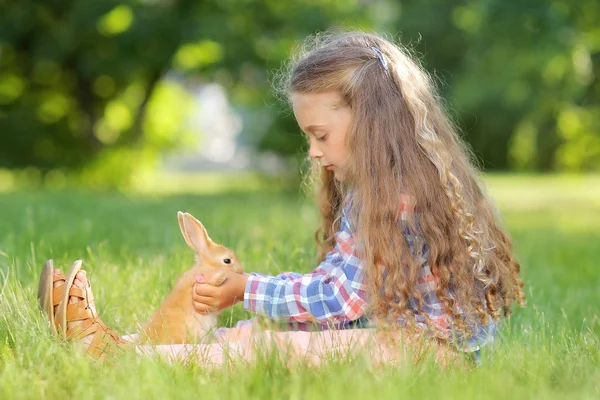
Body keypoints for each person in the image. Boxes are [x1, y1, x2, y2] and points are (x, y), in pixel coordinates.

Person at [40, 30, 525, 367]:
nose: (313, 153)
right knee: (258, 338)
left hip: (424, 357)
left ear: (373, 125)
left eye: (320, 135)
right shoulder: (392, 188)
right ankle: (129, 348)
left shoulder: (396, 198)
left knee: (276, 353)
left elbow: (337, 298)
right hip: (398, 342)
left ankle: (123, 358)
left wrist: (246, 289)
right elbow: (337, 289)